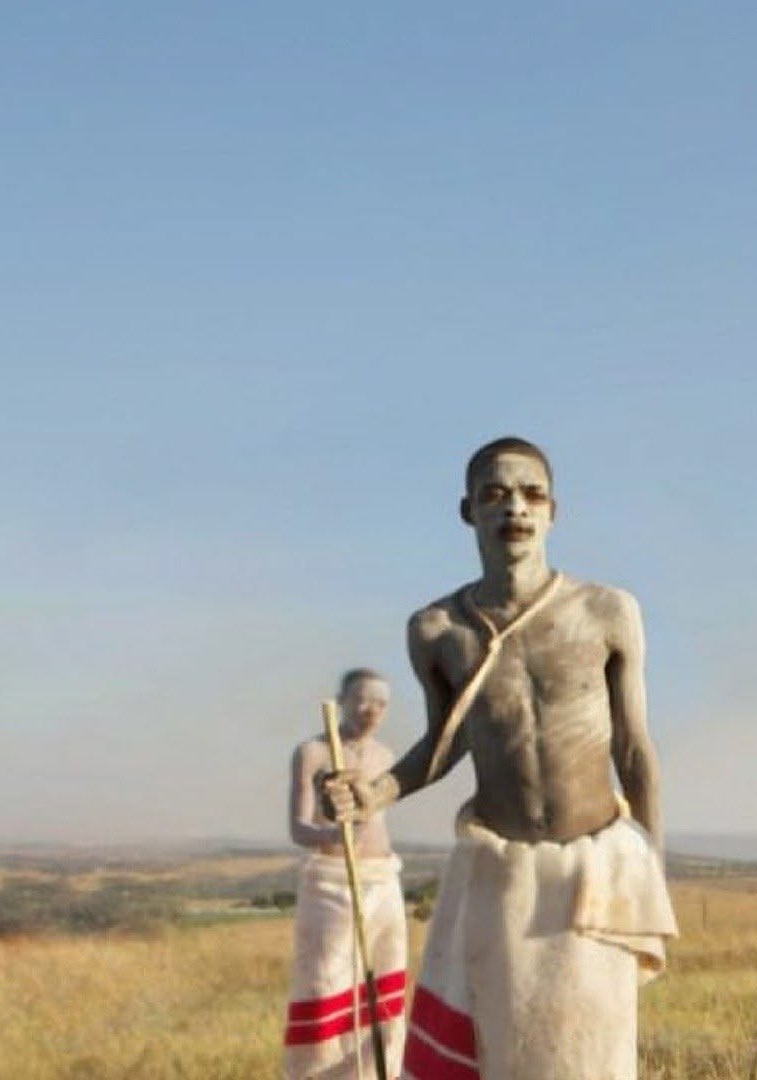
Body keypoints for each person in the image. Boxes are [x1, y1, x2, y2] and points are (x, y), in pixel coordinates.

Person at [326, 436, 677, 1079]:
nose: (515, 507)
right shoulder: (437, 629)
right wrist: (373, 794)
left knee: (593, 1055)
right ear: (469, 511)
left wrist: (649, 870)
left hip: (596, 868)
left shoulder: (607, 611)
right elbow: (443, 743)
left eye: (531, 494)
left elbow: (633, 748)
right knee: (508, 1050)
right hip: (500, 872)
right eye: (495, 494)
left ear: (552, 512)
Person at [283, 668, 406, 1079]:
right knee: (325, 983)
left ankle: (379, 1072)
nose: (372, 711)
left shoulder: (386, 757)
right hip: (330, 878)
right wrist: (331, 834)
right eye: (363, 700)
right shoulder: (312, 752)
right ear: (342, 701)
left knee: (382, 984)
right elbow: (298, 828)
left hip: (383, 877)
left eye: (381, 704)